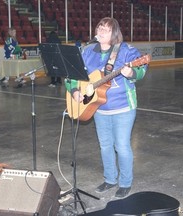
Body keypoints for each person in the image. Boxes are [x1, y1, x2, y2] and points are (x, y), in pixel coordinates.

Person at [65, 17, 147, 198]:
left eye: (106, 29)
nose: (101, 31)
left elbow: (141, 69)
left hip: (123, 107)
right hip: (98, 107)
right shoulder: (87, 51)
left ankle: (125, 182)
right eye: (99, 28)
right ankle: (110, 179)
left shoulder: (125, 51)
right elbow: (71, 75)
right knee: (105, 146)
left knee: (122, 146)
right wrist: (74, 91)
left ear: (114, 34)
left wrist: (132, 71)